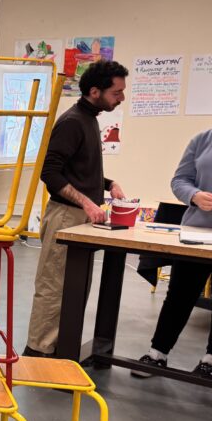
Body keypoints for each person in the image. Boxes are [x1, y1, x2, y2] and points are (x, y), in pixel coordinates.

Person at [24, 60, 129, 357]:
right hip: (65, 217)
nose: (121, 98)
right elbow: (50, 173)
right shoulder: (72, 121)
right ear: (95, 91)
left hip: (80, 217)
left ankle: (60, 350)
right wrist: (86, 202)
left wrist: (109, 184)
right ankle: (37, 353)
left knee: (74, 288)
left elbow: (78, 170)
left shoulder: (90, 118)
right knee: (54, 289)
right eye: (116, 92)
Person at [135, 108, 212, 380]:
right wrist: (194, 195)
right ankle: (157, 354)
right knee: (179, 295)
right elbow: (180, 180)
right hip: (196, 234)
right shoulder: (203, 139)